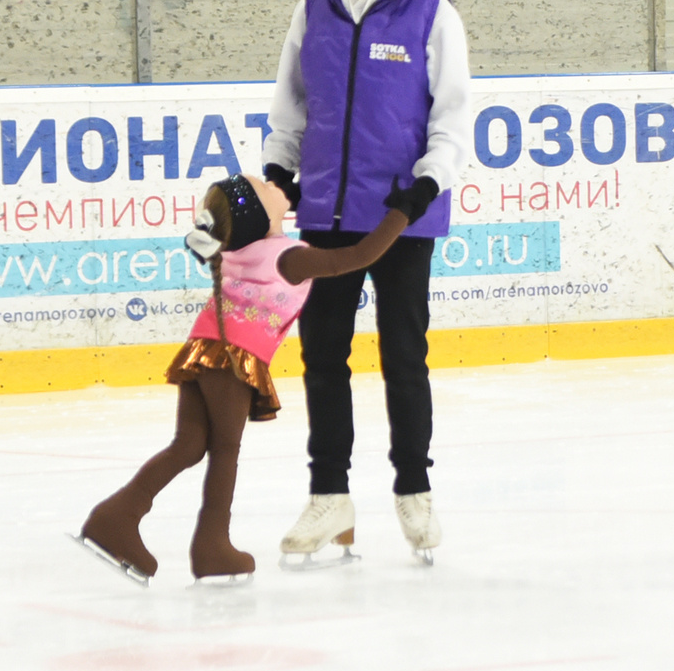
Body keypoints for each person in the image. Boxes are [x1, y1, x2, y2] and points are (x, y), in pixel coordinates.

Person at [261, 0, 471, 566]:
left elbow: (452, 117)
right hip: (326, 212)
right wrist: (280, 173)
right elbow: (291, 105)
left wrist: (424, 187)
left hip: (401, 217)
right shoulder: (314, 6)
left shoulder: (431, 11)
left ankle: (415, 490)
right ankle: (330, 496)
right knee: (322, 355)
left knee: (403, 355)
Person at [77, 174, 421, 584]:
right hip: (234, 356)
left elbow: (219, 233)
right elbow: (358, 256)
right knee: (224, 450)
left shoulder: (235, 248)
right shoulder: (288, 257)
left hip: (203, 347)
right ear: (259, 213)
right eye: (266, 186)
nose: (276, 184)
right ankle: (211, 545)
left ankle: (116, 517)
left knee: (188, 445)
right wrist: (403, 212)